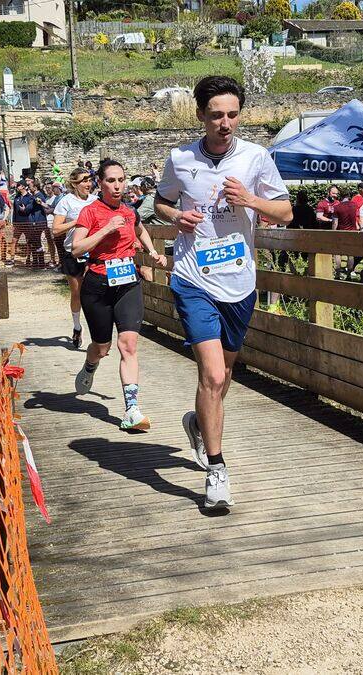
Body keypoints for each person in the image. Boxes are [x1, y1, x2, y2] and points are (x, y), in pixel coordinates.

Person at [154, 76, 292, 509]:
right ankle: (217, 470)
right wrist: (176, 216)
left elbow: (286, 212)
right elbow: (160, 202)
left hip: (239, 282)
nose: (225, 123)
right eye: (216, 115)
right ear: (201, 115)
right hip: (193, 278)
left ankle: (199, 422)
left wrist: (251, 200)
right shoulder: (180, 159)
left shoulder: (256, 157)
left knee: (224, 375)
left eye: (232, 114)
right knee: (212, 375)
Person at [71, 158, 167, 431]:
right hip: (98, 285)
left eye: (121, 180)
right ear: (100, 183)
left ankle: (132, 409)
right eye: (111, 180)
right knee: (102, 347)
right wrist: (106, 229)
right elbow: (76, 249)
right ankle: (90, 365)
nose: (117, 186)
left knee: (128, 345)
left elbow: (140, 229)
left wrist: (151, 251)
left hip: (127, 284)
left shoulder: (129, 211)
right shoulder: (90, 212)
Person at [53, 168, 97, 348]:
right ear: (74, 184)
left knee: (95, 294)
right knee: (77, 293)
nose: (88, 184)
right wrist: (77, 222)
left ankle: (98, 334)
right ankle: (77, 326)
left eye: (89, 180)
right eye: (84, 181)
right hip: (73, 253)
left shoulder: (96, 200)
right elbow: (56, 229)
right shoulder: (66, 201)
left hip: (93, 252)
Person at [332, 189, 359, 279]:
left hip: (341, 233)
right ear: (349, 196)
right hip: (352, 233)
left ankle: (338, 274)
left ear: (341, 196)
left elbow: (335, 223)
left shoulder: (337, 207)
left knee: (337, 254)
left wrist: (332, 233)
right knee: (350, 255)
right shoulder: (354, 205)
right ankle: (348, 275)